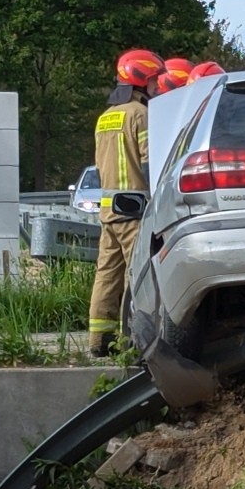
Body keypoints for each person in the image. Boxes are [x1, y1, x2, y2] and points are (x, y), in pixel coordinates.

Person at [87, 48, 165, 357]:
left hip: (108, 209)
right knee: (142, 274)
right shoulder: (141, 115)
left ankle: (99, 341)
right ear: (141, 81)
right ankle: (137, 339)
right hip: (134, 210)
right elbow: (149, 164)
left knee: (107, 273)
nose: (157, 88)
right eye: (154, 81)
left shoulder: (105, 118)